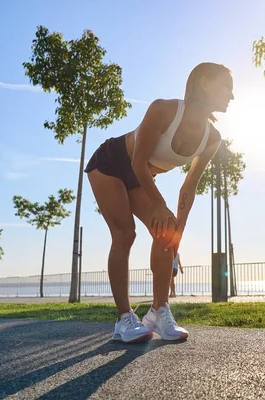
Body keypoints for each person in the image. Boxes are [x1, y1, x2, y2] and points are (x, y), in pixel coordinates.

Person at [85, 62, 234, 343]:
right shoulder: (164, 110)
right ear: (203, 82)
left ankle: (158, 311)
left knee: (166, 232)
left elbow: (189, 187)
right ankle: (123, 320)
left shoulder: (212, 138)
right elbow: (137, 161)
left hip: (139, 176)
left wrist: (179, 230)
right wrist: (158, 202)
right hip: (110, 163)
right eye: (226, 86)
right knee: (125, 234)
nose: (231, 95)